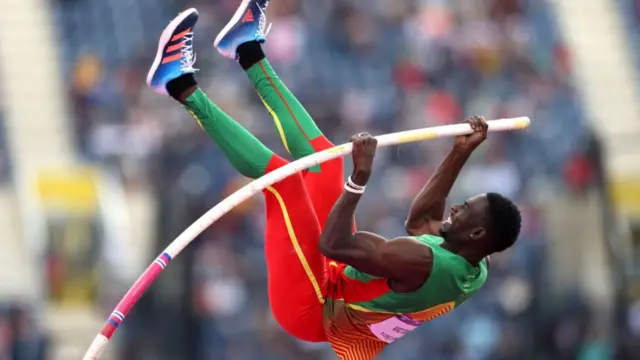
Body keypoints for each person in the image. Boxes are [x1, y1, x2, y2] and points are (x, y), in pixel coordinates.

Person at [147, 2, 522, 359]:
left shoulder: (423, 261)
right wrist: (460, 152)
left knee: (285, 184)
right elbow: (421, 221)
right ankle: (246, 49)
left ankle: (180, 84)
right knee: (324, 162)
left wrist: (360, 180)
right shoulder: (475, 264)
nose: (455, 207)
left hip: (312, 307)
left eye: (464, 210)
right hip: (335, 280)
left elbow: (333, 243)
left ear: (477, 234)